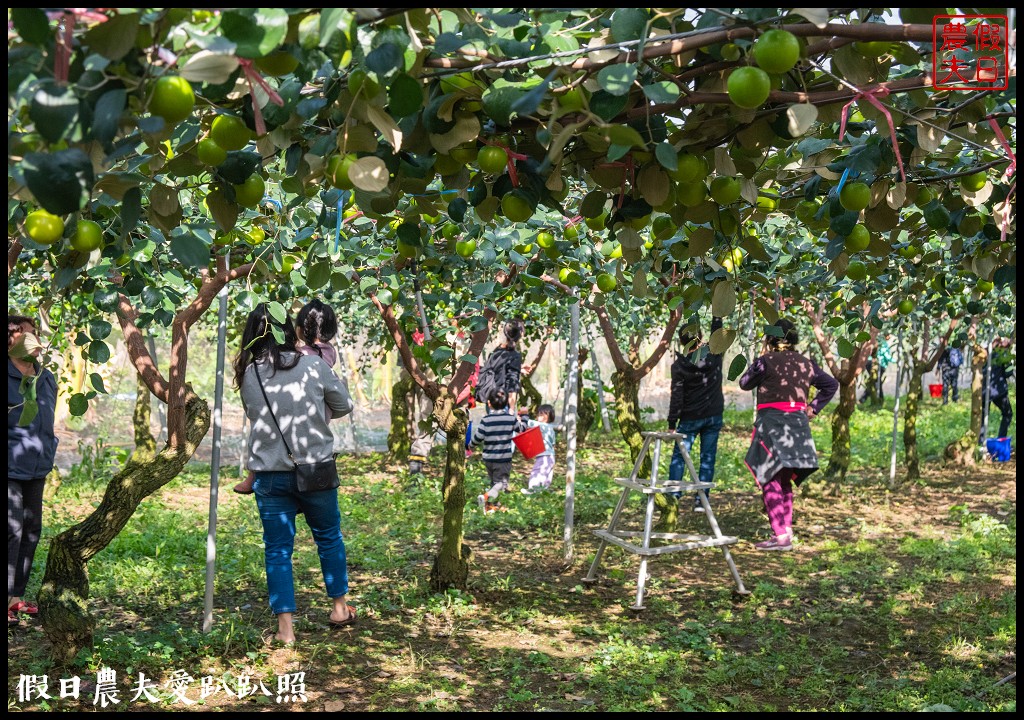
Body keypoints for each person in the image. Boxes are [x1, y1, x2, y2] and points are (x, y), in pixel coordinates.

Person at [235, 304, 356, 644]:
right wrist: (314, 414)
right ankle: (339, 608)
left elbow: (253, 413)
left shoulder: (250, 374)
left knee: (277, 549)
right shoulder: (314, 365)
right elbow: (344, 405)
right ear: (289, 330)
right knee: (329, 537)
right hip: (315, 468)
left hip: (270, 474)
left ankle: (286, 630)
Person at [739, 318, 839, 552]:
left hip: (772, 426)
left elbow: (745, 383)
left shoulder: (765, 362)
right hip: (797, 426)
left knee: (769, 477)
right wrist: (813, 407)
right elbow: (831, 384)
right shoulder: (806, 363)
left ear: (770, 339)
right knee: (785, 479)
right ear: (794, 339)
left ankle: (781, 535)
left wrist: (760, 359)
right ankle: (786, 531)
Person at [235, 298, 344, 495]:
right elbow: (344, 404)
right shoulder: (324, 354)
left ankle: (252, 475)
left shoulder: (254, 372)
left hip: (272, 469)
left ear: (300, 330)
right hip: (315, 452)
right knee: (327, 527)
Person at [8, 315, 58, 627]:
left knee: (31, 528)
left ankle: (16, 598)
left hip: (37, 465)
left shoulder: (46, 377)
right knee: (10, 530)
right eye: (24, 334)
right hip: (9, 465)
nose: (33, 338)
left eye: (34, 332)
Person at [666, 316, 724, 512]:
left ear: (682, 342)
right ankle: (702, 501)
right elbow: (718, 335)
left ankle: (673, 495)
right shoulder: (714, 355)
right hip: (714, 415)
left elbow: (677, 395)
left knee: (680, 456)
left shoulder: (680, 366)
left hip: (690, 418)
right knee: (708, 456)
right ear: (700, 338)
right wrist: (718, 314)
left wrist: (672, 422)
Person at [471, 389, 522, 513]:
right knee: (501, 483)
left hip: (489, 458)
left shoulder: (486, 420)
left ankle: (493, 506)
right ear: (506, 403)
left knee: (494, 481)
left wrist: (470, 445)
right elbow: (521, 429)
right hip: (503, 459)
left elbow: (478, 437)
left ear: (489, 403)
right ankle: (486, 497)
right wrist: (524, 417)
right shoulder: (510, 419)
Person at [475, 320, 524, 412]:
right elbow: (512, 382)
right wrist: (512, 409)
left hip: (491, 398)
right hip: (502, 401)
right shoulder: (514, 355)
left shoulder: (496, 352)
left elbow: (498, 369)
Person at [519, 403, 561, 495]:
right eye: (538, 414)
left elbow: (529, 423)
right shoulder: (551, 428)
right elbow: (553, 444)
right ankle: (543, 491)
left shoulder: (543, 426)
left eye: (541, 415)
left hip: (544, 456)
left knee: (537, 471)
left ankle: (532, 490)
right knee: (546, 475)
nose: (539, 417)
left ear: (548, 417)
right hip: (551, 456)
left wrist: (523, 415)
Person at [987, 337, 1014, 439]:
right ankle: (1001, 439)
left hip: (984, 391)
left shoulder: (986, 353)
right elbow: (1009, 372)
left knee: (983, 416)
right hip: (998, 391)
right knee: (1008, 414)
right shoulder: (1004, 354)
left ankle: (980, 442)